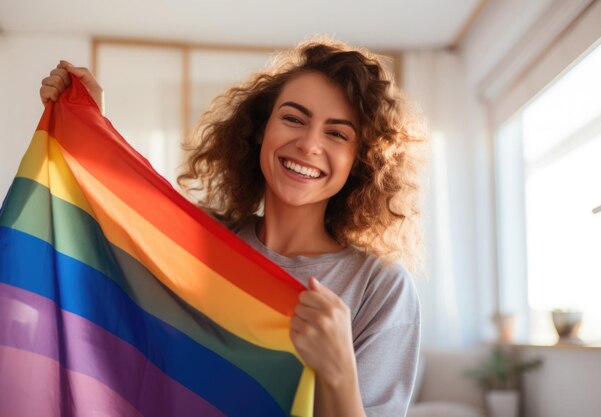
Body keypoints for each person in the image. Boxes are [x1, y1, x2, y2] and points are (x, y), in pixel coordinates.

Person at [39, 39, 426, 417]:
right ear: (261, 130)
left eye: (337, 133)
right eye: (293, 118)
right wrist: (89, 124)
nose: (309, 144)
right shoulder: (201, 242)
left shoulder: (380, 285)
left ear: (361, 160)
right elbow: (110, 268)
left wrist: (337, 369)